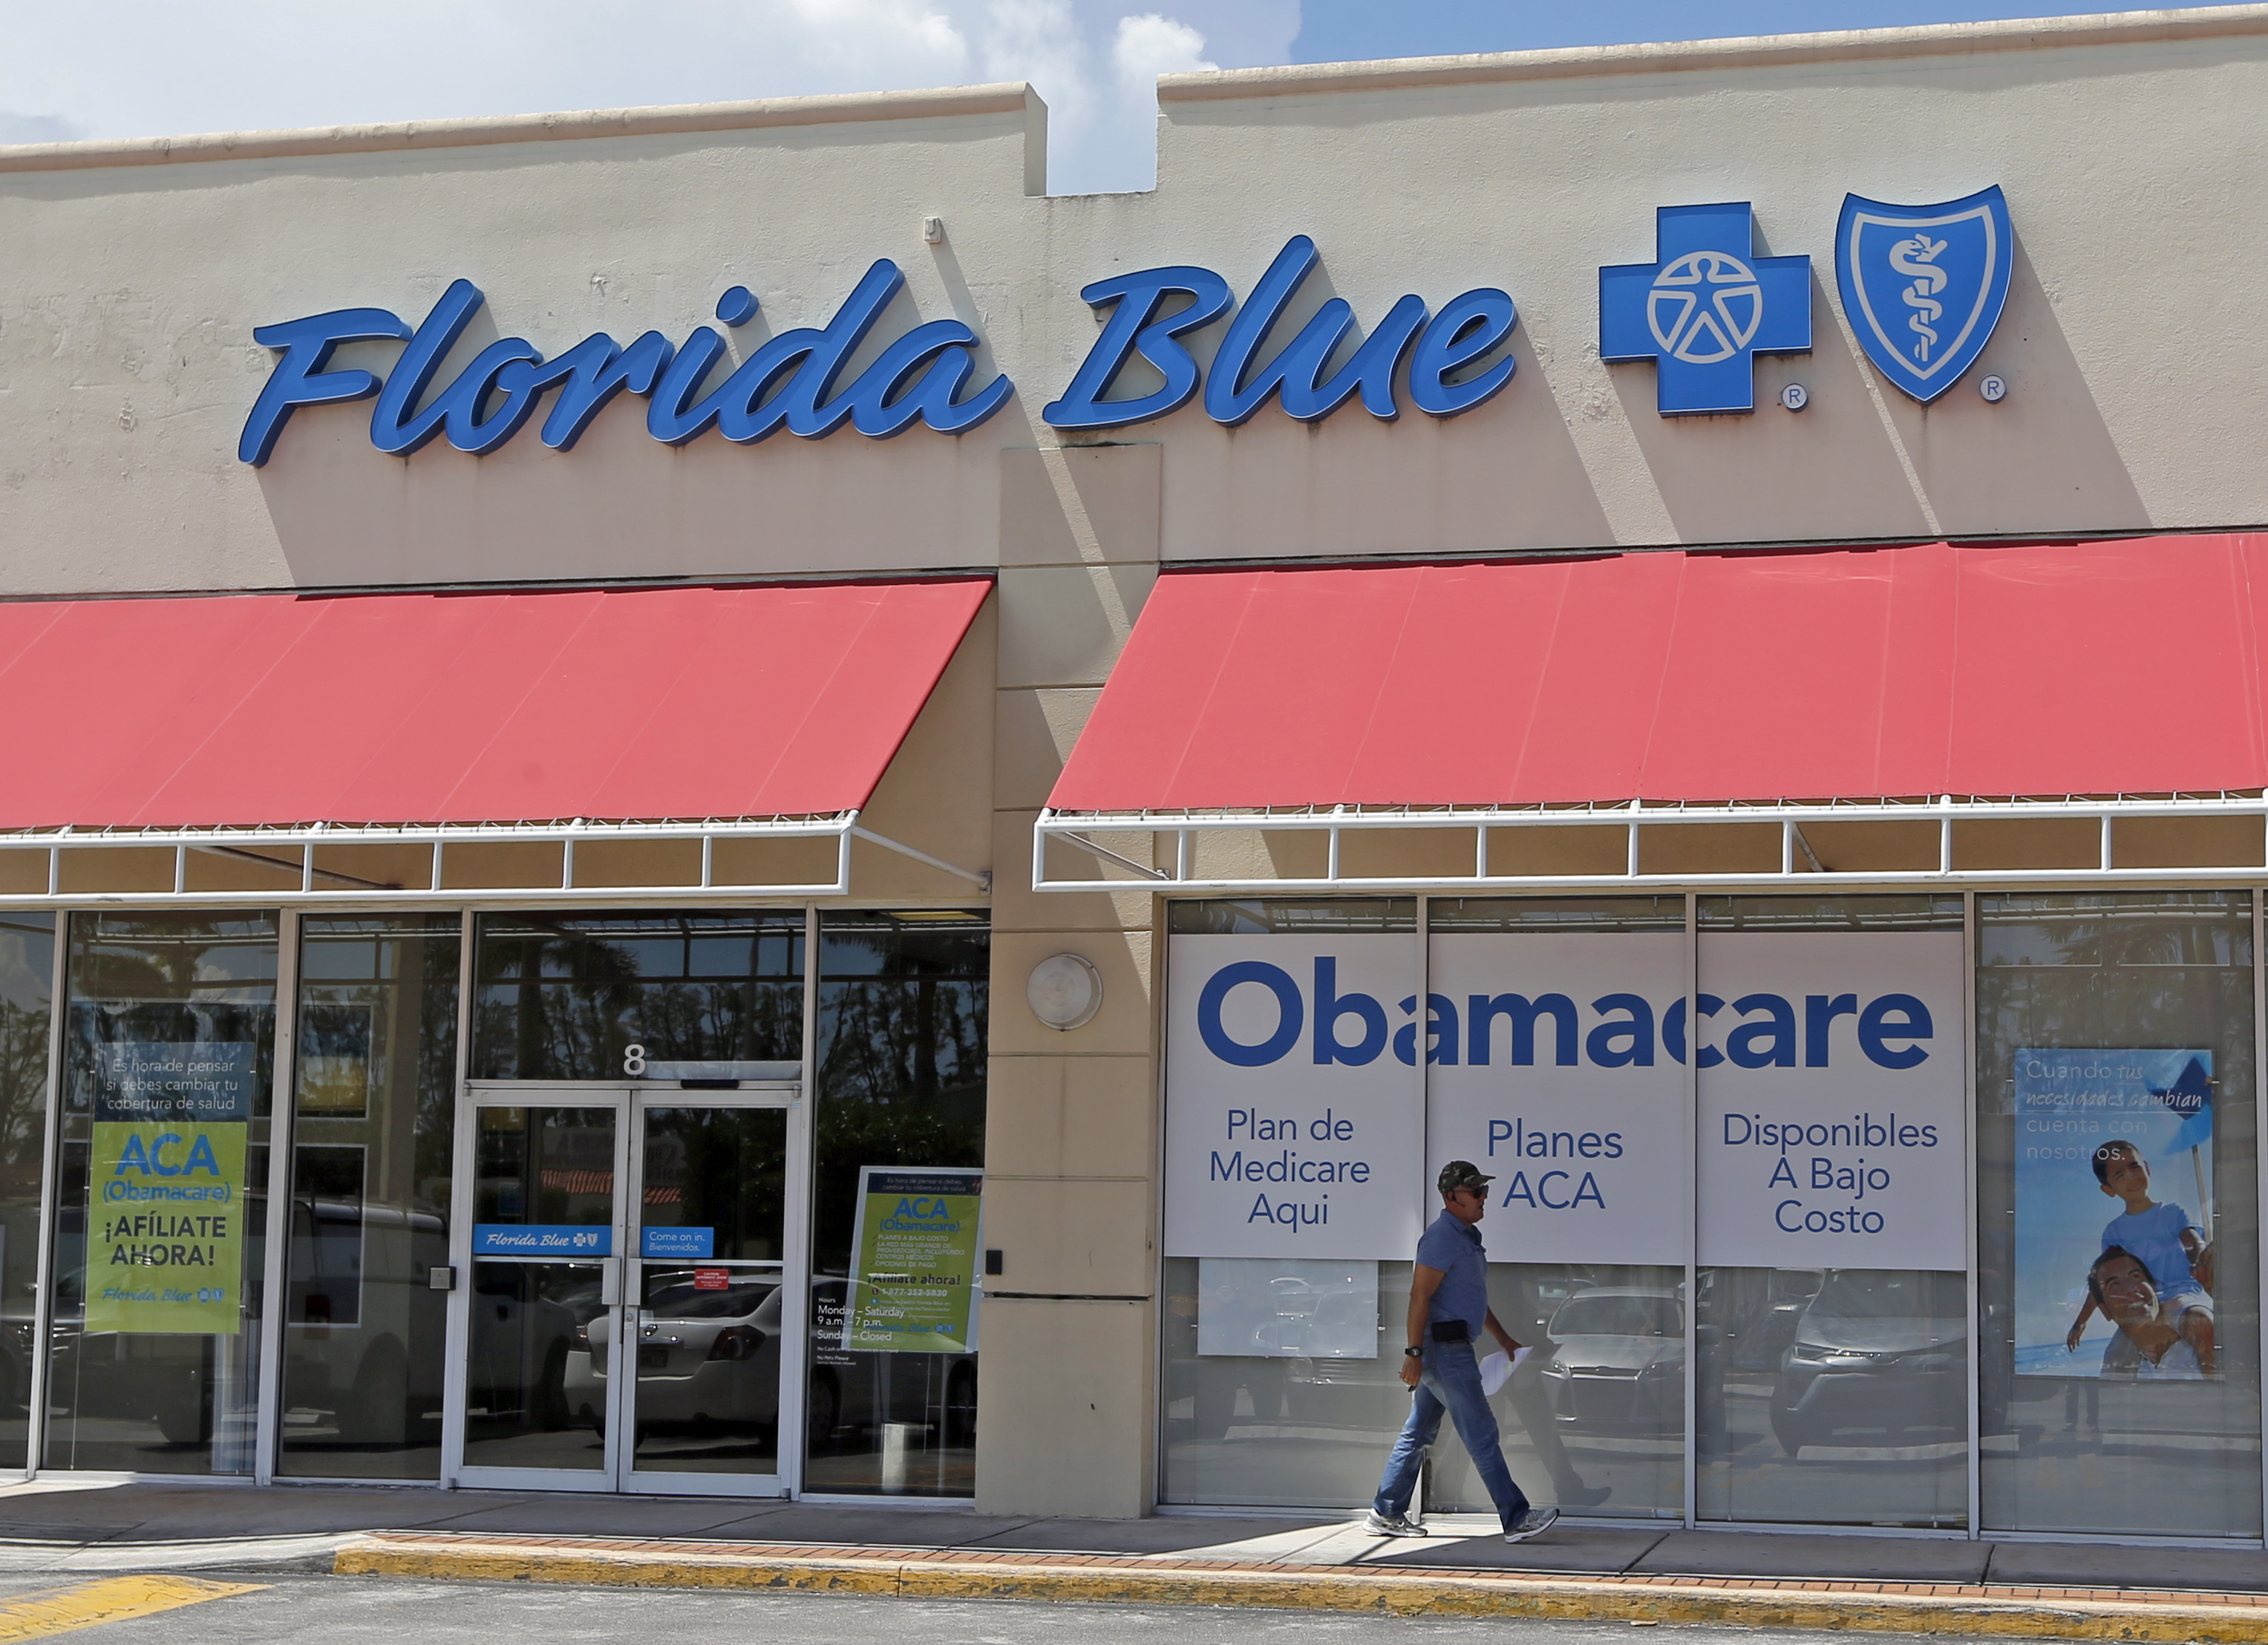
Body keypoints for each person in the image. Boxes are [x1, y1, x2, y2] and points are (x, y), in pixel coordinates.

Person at [1365, 1161, 1558, 1544]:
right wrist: (1414, 1353)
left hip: (1450, 1347)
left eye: (1485, 1191)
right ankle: (1516, 1517)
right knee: (1481, 1432)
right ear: (1452, 1197)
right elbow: (1419, 1296)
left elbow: (1471, 1298)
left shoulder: (1467, 1237)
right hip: (1445, 1351)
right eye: (1476, 1192)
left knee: (1419, 1429)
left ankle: (1386, 1511)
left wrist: (1503, 1339)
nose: (1484, 1198)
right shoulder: (1441, 1238)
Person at [2062, 1140, 2215, 1376]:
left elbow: (2193, 1240)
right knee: (2114, 1356)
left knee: (2201, 1322)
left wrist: (2201, 1260)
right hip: (2141, 1306)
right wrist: (2081, 1321)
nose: (2132, 1177)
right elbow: (2104, 1281)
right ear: (2109, 1189)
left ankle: (2212, 1382)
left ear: (2147, 1167)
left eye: (2135, 1167)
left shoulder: (2171, 1212)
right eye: (2119, 1175)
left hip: (2180, 1294)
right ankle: (2114, 1407)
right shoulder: (2114, 1232)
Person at [2088, 1246, 2205, 1379]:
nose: (2131, 1289)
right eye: (2114, 1284)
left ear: (2153, 1287)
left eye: (2135, 1276)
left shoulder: (2200, 1338)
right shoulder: (2119, 1358)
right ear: (2105, 1311)